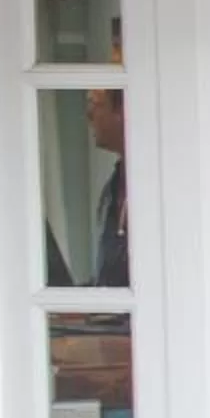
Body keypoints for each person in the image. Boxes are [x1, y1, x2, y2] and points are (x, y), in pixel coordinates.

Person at [45, 86, 129, 289]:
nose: (89, 115)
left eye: (95, 104)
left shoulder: (155, 187)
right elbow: (111, 280)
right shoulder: (113, 187)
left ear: (123, 111)